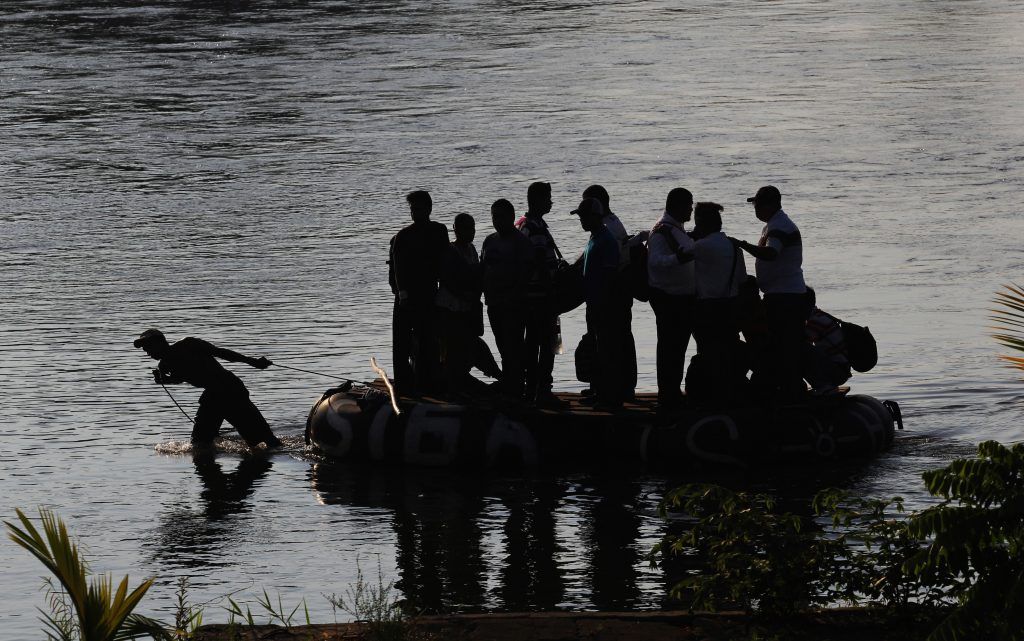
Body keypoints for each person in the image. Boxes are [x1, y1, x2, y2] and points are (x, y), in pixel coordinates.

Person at [133, 329, 282, 449]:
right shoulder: (164, 365)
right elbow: (185, 377)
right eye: (144, 349)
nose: (147, 352)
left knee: (264, 441)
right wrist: (167, 380)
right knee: (199, 443)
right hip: (212, 396)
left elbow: (222, 353)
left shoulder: (188, 344)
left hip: (230, 390)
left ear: (160, 342)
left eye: (148, 347)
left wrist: (253, 362)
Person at [733, 185, 809, 398]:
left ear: (770, 205)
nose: (755, 209)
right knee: (783, 345)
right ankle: (788, 387)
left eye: (757, 204)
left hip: (785, 297)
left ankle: (791, 391)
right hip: (781, 294)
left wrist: (742, 245)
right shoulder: (774, 225)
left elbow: (771, 253)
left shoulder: (779, 227)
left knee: (784, 345)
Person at [390, 190, 450, 396]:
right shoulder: (403, 236)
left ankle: (426, 385)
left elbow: (445, 264)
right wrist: (403, 295)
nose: (415, 213)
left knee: (428, 343)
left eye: (419, 208)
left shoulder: (439, 231)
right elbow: (398, 270)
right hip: (407, 298)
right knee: (401, 345)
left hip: (429, 295)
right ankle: (403, 388)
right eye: (413, 209)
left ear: (429, 209)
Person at [435, 213, 503, 394]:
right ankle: (455, 384)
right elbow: (448, 281)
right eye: (465, 228)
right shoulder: (450, 251)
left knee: (470, 344)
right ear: (455, 230)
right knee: (455, 346)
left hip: (467, 307)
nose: (469, 232)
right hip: (450, 308)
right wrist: (466, 296)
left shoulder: (472, 249)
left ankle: (493, 377)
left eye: (472, 228)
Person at [581, 184, 637, 400]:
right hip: (612, 294)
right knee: (616, 340)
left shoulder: (607, 231)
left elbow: (609, 269)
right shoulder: (609, 225)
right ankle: (614, 386)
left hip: (610, 296)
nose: (582, 219)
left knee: (610, 343)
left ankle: (612, 389)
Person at [516, 182, 567, 408]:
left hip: (532, 297)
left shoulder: (527, 224)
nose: (551, 201)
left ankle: (533, 388)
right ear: (536, 200)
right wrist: (552, 290)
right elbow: (538, 261)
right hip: (541, 297)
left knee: (534, 343)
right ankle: (542, 390)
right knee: (547, 344)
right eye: (547, 197)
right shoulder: (534, 227)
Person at [691, 202, 748, 403]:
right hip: (731, 306)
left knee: (707, 353)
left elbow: (677, 257)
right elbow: (742, 279)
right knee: (728, 350)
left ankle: (710, 396)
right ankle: (731, 393)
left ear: (700, 223)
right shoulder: (733, 245)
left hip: (707, 308)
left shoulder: (700, 246)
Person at [646, 187, 697, 410]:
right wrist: (680, 258)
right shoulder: (662, 231)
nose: (691, 209)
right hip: (668, 298)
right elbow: (655, 262)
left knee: (677, 347)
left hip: (680, 297)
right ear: (677, 205)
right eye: (689, 204)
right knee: (669, 348)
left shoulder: (676, 229)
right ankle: (667, 395)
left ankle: (672, 391)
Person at [481, 198, 536, 400]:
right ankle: (510, 384)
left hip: (513, 305)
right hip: (493, 303)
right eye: (494, 216)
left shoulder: (521, 242)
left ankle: (516, 387)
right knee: (503, 346)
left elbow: (526, 273)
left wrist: (513, 296)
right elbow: (483, 268)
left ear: (512, 217)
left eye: (501, 216)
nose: (497, 220)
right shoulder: (489, 241)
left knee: (514, 347)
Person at [573, 197, 623, 410]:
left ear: (596, 216)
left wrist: (604, 304)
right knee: (597, 349)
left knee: (606, 351)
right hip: (593, 303)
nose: (581, 220)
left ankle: (611, 397)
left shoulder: (607, 240)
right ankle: (599, 391)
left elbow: (611, 276)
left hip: (605, 305)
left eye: (584, 216)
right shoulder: (594, 238)